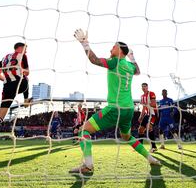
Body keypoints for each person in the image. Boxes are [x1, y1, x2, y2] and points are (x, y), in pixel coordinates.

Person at [69, 29, 160, 174]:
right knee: (127, 137)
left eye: (114, 46)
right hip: (129, 109)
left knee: (84, 130)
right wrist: (132, 57)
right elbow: (137, 71)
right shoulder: (129, 66)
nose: (111, 48)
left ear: (120, 51)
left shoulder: (114, 62)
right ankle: (150, 158)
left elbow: (94, 60)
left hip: (114, 108)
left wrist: (84, 43)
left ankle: (88, 165)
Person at [0, 43, 30, 145]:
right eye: (25, 49)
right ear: (20, 48)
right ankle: (26, 99)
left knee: (0, 116)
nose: (26, 51)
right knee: (26, 78)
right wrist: (20, 70)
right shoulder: (23, 55)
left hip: (7, 87)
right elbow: (27, 72)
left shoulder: (4, 58)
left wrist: (6, 79)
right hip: (20, 84)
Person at [138, 83, 158, 153]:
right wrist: (141, 116)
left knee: (149, 127)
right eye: (142, 86)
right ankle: (140, 146)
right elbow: (143, 108)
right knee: (140, 130)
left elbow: (153, 103)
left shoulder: (151, 93)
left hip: (152, 113)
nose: (143, 88)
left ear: (147, 87)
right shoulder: (142, 96)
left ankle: (153, 147)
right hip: (147, 114)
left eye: (145, 86)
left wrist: (146, 103)